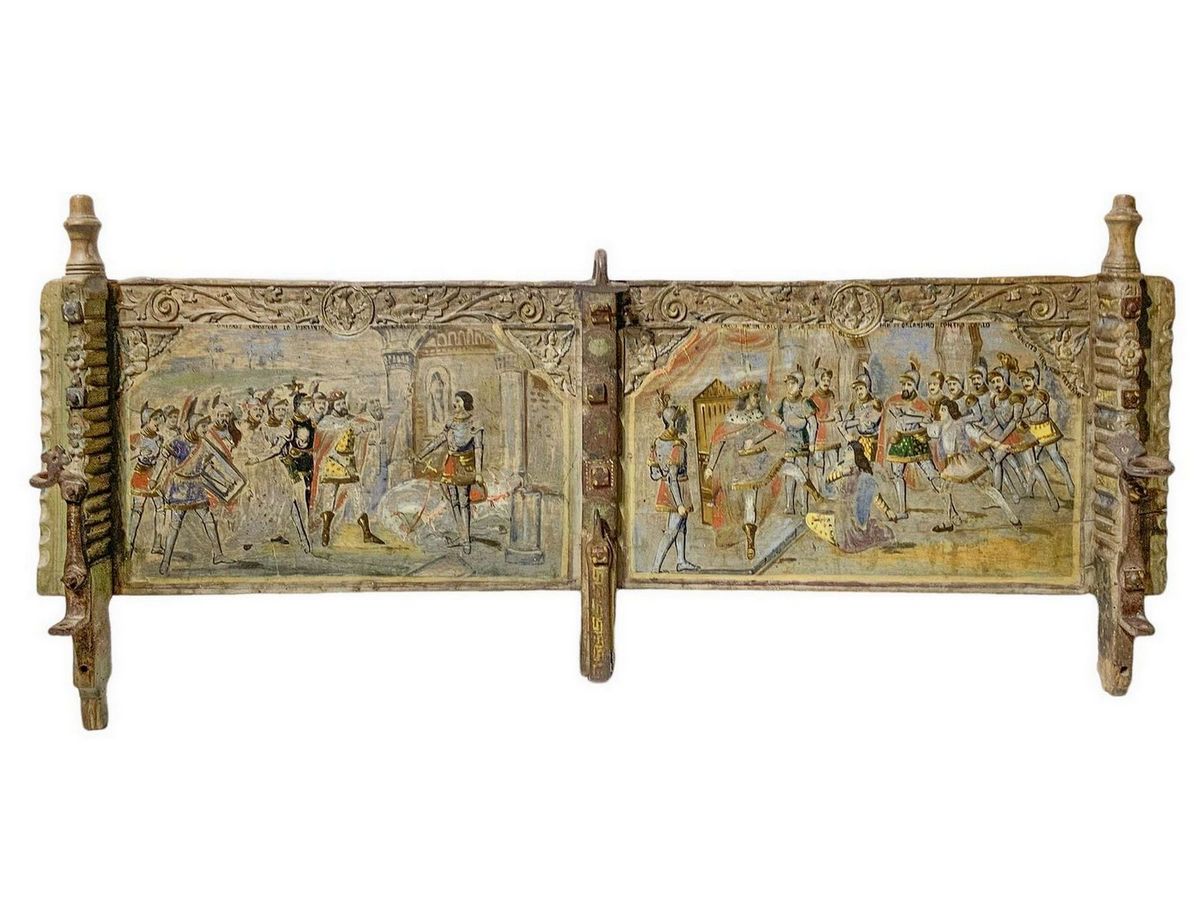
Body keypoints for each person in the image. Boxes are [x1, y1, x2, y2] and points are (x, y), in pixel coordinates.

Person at [704, 379, 784, 561]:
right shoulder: (733, 418)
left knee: (752, 500)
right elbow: (718, 443)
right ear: (746, 398)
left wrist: (755, 440)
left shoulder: (758, 415)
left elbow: (771, 430)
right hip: (735, 467)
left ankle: (750, 539)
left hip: (756, 464)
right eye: (755, 396)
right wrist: (710, 466)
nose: (758, 399)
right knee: (740, 501)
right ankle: (744, 535)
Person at [925, 398, 1021, 532]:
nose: (941, 412)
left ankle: (1012, 516)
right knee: (944, 490)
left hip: (965, 461)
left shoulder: (961, 424)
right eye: (940, 410)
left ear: (951, 411)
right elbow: (931, 432)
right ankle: (948, 521)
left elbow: (979, 435)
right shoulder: (941, 427)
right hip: (951, 463)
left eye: (944, 410)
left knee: (986, 488)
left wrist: (998, 444)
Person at [158, 398, 230, 575]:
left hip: (196, 486)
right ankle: (165, 561)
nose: (206, 429)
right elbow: (163, 458)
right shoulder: (177, 442)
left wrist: (224, 480)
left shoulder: (203, 445)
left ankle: (218, 555)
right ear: (193, 426)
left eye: (206, 426)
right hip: (180, 487)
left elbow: (209, 467)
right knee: (175, 525)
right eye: (203, 426)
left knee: (208, 519)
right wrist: (154, 478)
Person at [416, 390, 485, 553]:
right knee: (454, 501)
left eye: (458, 401)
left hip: (465, 464)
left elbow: (478, 448)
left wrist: (478, 472)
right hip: (451, 464)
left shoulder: (474, 423)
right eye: (455, 401)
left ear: (466, 403)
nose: (455, 404)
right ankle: (462, 536)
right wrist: (422, 454)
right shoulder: (451, 422)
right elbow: (440, 439)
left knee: (464, 502)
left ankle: (466, 540)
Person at [986, 354, 1058, 511]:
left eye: (998, 381)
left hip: (1019, 434)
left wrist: (1000, 439)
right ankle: (998, 496)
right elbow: (998, 420)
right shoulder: (995, 400)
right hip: (1006, 436)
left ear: (1005, 380)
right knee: (994, 461)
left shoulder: (1015, 398)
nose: (996, 384)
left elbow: (1014, 421)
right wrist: (986, 432)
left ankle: (1051, 496)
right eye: (993, 382)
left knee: (1032, 466)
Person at [316, 389, 384, 546]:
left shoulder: (349, 420)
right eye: (338, 404)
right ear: (332, 406)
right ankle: (325, 532)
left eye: (343, 403)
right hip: (333, 463)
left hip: (348, 463)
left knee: (357, 495)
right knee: (329, 498)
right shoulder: (327, 422)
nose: (342, 406)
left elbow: (361, 426)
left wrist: (369, 425)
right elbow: (326, 446)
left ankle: (367, 533)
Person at [877, 359, 943, 519]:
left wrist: (916, 418)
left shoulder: (921, 403)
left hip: (916, 441)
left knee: (931, 473)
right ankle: (902, 511)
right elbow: (897, 419)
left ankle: (949, 507)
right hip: (900, 441)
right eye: (904, 384)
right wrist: (917, 418)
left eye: (909, 385)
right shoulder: (894, 401)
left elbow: (927, 421)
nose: (905, 388)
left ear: (915, 386)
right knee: (897, 475)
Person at [805, 440, 896, 553]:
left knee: (847, 530)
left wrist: (887, 510)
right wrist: (841, 473)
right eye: (846, 449)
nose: (845, 452)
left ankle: (840, 536)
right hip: (839, 506)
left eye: (849, 450)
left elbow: (874, 495)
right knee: (813, 515)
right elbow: (828, 481)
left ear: (855, 455)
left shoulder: (862, 475)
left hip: (851, 513)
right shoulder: (841, 468)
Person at [647, 393, 700, 573]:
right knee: (672, 529)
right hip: (676, 489)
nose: (685, 422)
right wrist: (679, 504)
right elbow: (673, 477)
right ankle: (656, 568)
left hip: (669, 486)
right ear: (674, 422)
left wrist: (663, 472)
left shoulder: (657, 442)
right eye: (683, 420)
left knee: (681, 526)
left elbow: (655, 473)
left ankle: (681, 561)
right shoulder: (678, 445)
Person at [1018, 362, 1075, 499]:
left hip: (1045, 429)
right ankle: (1029, 489)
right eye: (1024, 380)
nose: (1025, 383)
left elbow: (1031, 410)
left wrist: (1017, 414)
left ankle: (1069, 482)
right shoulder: (1025, 396)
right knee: (1033, 462)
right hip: (1033, 430)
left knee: (1055, 456)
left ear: (1035, 380)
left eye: (1028, 380)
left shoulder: (1040, 395)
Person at [773, 366, 817, 516]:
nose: (789, 386)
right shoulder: (783, 402)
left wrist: (812, 442)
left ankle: (805, 506)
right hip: (789, 442)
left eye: (793, 384)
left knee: (803, 474)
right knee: (789, 474)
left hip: (802, 442)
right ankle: (789, 505)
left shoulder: (805, 402)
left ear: (800, 386)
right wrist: (783, 425)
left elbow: (813, 423)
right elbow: (775, 416)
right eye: (788, 383)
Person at [128, 402, 166, 555]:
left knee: (161, 508)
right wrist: (138, 452)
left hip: (154, 476)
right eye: (155, 419)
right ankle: (130, 543)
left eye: (159, 419)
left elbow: (161, 460)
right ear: (146, 420)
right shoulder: (136, 437)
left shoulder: (160, 439)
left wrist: (155, 478)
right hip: (140, 474)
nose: (158, 422)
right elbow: (125, 457)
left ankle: (157, 544)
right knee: (137, 509)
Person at [808, 359, 841, 492]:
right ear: (818, 380)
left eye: (828, 380)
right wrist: (826, 417)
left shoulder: (831, 395)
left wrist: (836, 412)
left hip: (831, 433)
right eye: (824, 380)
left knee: (833, 461)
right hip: (819, 433)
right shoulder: (813, 398)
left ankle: (832, 489)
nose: (827, 382)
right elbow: (814, 419)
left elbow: (834, 411)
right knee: (819, 463)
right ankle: (820, 490)